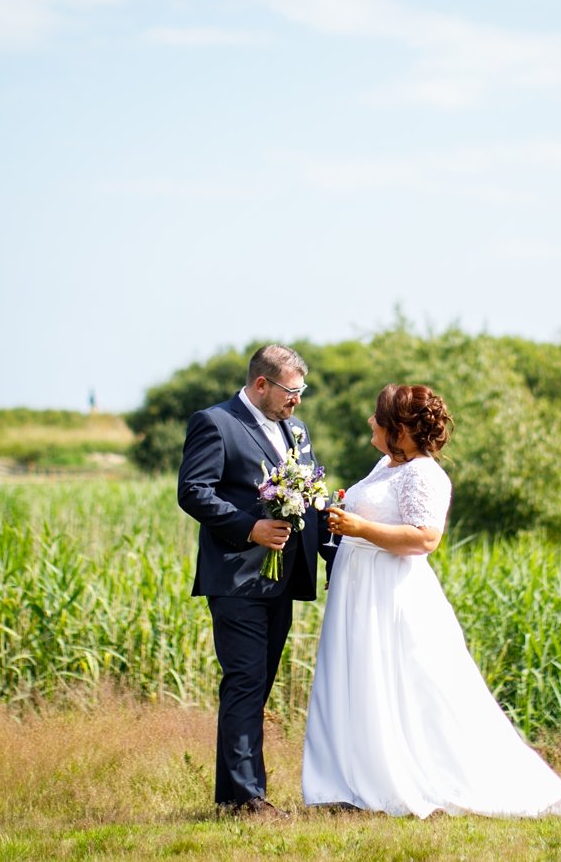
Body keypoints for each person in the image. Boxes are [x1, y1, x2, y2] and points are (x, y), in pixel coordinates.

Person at [303, 384, 561, 818]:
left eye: (378, 417)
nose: (370, 422)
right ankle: (351, 780)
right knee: (360, 678)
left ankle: (403, 778)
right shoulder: (384, 465)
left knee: (408, 682)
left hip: (391, 595)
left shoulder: (425, 474)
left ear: (399, 428)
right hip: (359, 589)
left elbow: (425, 538)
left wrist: (359, 528)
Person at [178, 344, 336, 816]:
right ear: (261, 384)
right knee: (245, 681)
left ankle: (232, 797)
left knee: (256, 684)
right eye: (291, 391)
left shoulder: (297, 429)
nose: (298, 401)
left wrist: (337, 547)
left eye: (301, 391)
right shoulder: (215, 422)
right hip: (237, 578)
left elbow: (306, 495)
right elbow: (193, 491)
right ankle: (249, 799)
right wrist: (250, 527)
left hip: (282, 578)